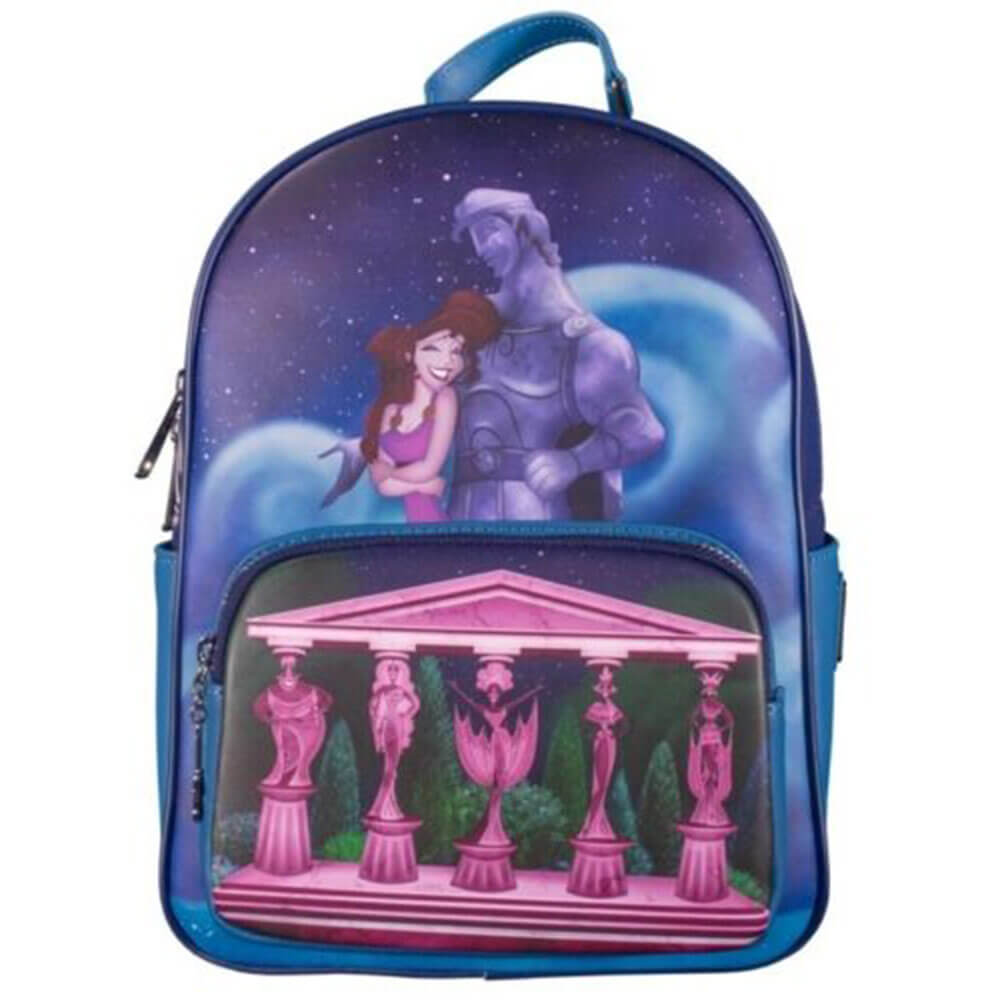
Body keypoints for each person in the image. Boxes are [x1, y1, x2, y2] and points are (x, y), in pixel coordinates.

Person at [448, 188, 666, 520]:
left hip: (550, 534)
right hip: (456, 534)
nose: (480, 250)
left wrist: (575, 461)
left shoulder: (592, 346)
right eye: (475, 238)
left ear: (525, 227)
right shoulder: (471, 328)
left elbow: (642, 432)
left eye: (489, 231)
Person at [322, 290, 500, 520]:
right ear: (409, 354)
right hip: (400, 520)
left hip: (437, 517)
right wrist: (421, 485)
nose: (448, 360)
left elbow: (429, 468)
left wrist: (393, 473)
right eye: (433, 348)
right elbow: (381, 484)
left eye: (456, 351)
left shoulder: (446, 398)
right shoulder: (390, 411)